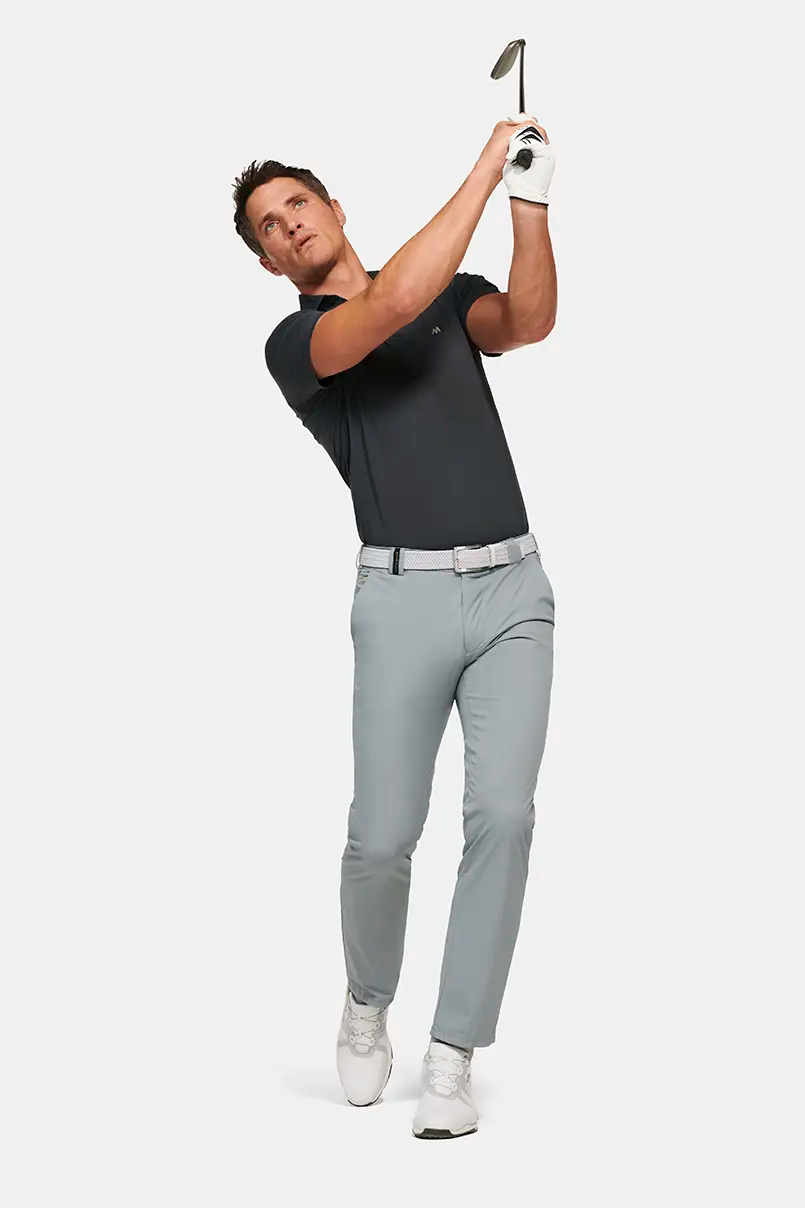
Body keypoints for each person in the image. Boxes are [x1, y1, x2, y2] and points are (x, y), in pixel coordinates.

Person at [231, 115, 557, 1139]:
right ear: (267, 263)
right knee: (381, 836)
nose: (289, 225)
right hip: (402, 597)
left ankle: (453, 1052)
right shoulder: (299, 345)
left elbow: (528, 320)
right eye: (269, 227)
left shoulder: (447, 294)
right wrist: (483, 166)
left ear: (335, 208)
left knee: (502, 817)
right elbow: (392, 301)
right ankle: (367, 1000)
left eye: (298, 204)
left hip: (513, 592)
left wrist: (528, 198)